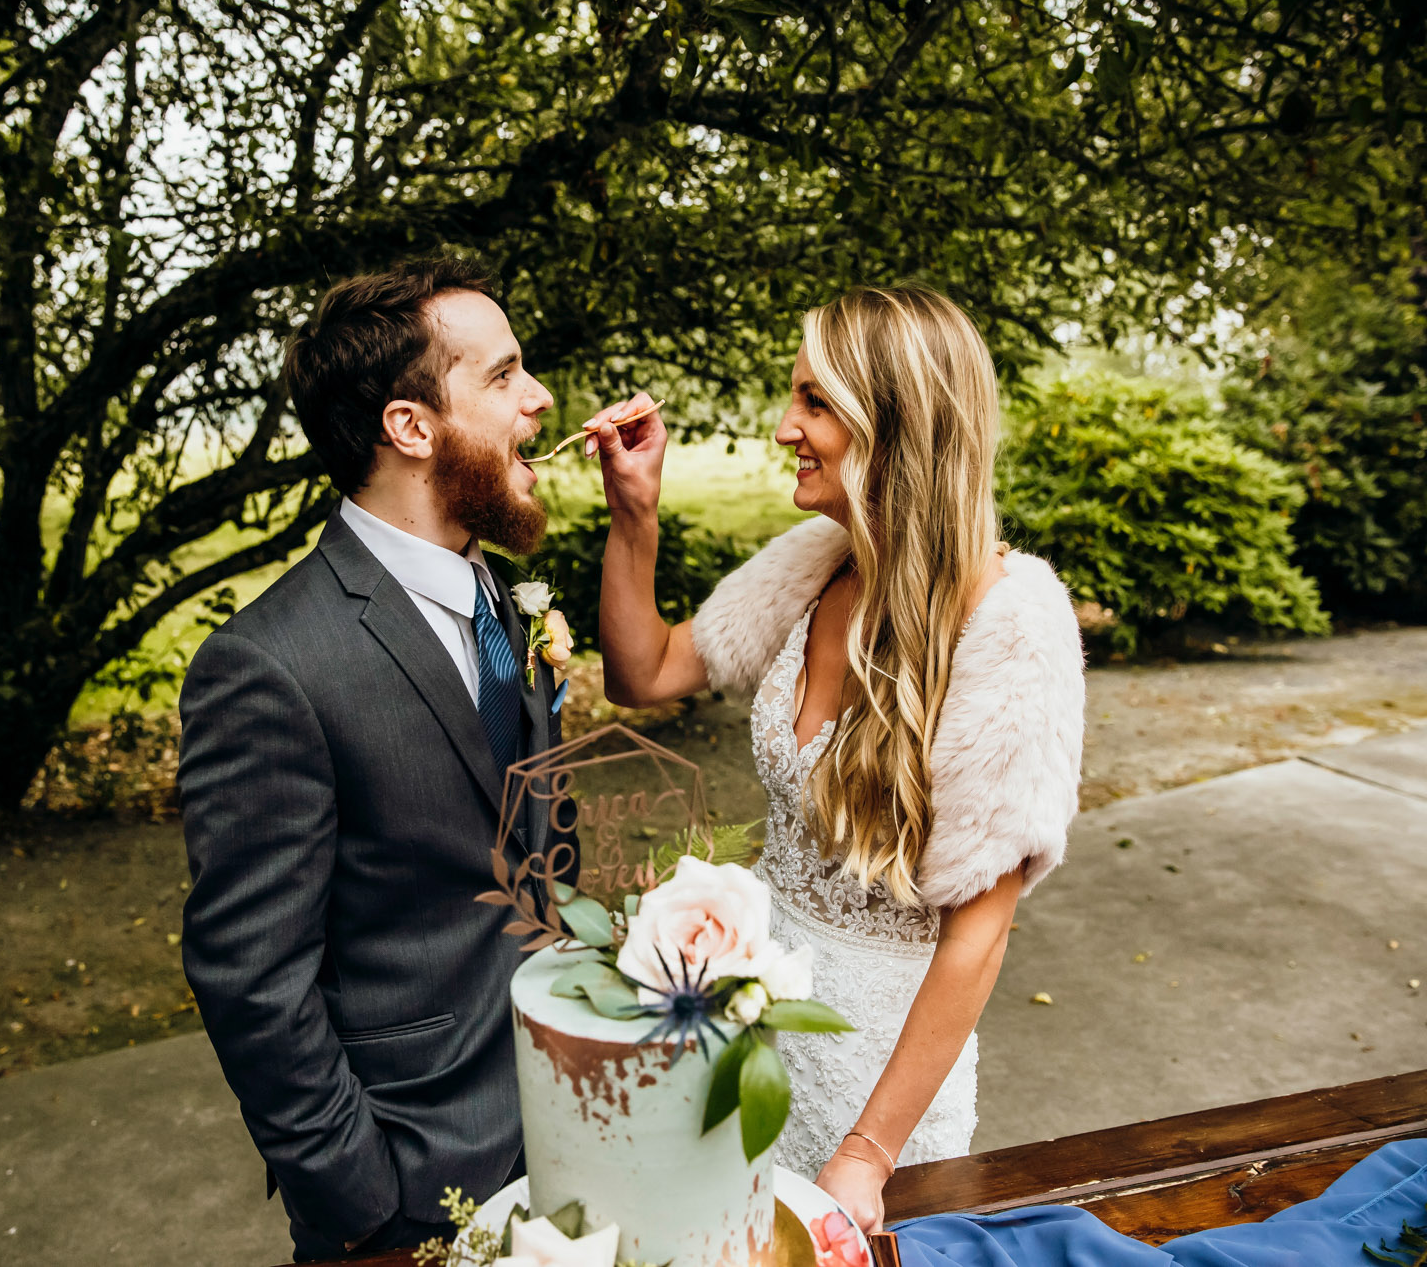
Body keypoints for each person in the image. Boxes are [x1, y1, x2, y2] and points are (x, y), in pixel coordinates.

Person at [589, 284, 1085, 1233]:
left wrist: (867, 1152)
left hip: (880, 1086)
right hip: (747, 1031)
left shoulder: (1015, 624)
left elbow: (978, 935)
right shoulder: (816, 560)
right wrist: (634, 514)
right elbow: (643, 672)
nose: (785, 428)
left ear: (896, 421)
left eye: (815, 400)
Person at [177, 258, 574, 1260]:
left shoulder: (504, 604)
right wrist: (361, 1200)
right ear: (411, 427)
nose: (539, 399)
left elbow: (539, 857)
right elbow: (251, 979)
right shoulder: (268, 668)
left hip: (570, 1142)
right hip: (411, 1189)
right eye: (502, 376)